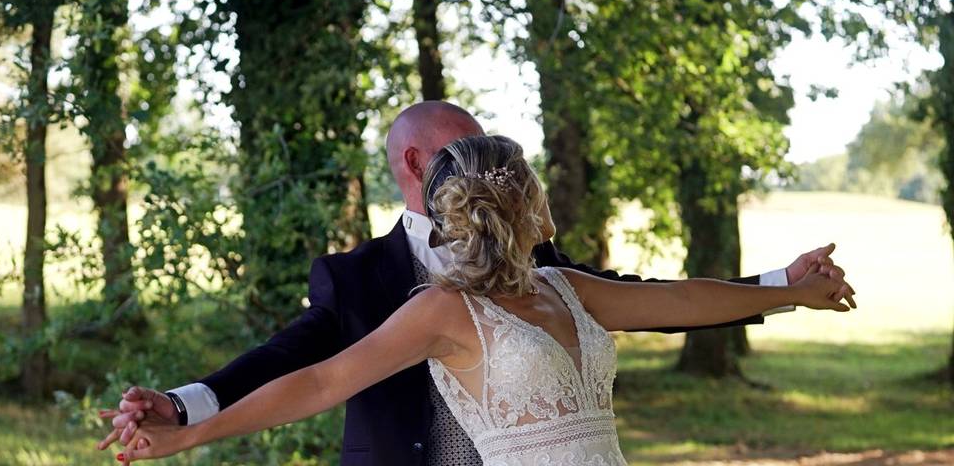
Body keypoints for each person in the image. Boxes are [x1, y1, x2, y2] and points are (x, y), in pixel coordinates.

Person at [99, 102, 855, 465]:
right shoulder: (421, 302)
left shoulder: (562, 286)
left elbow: (679, 297)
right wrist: (188, 422)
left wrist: (785, 286)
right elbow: (315, 376)